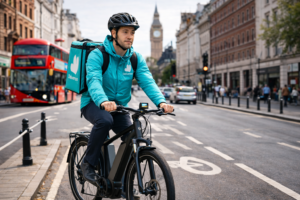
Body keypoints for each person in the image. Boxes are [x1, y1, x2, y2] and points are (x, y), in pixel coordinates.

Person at [79, 13, 174, 186]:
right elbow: (93, 80)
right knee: (105, 121)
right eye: (125, 31)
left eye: (132, 32)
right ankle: (88, 164)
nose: (130, 36)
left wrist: (161, 102)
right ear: (113, 33)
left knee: (133, 135)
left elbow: (147, 80)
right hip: (94, 103)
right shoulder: (98, 55)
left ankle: (122, 183)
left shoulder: (135, 58)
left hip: (119, 107)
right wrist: (102, 101)